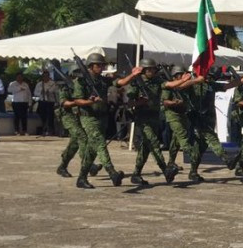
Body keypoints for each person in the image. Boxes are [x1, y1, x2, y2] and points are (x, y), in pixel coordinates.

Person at [67, 53, 124, 189]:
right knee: (100, 143)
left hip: (102, 117)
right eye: (99, 65)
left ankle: (81, 178)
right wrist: (89, 101)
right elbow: (77, 100)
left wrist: (133, 75)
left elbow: (120, 83)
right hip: (89, 118)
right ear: (91, 66)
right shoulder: (81, 81)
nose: (101, 67)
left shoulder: (102, 80)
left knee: (92, 150)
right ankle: (112, 173)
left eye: (102, 65)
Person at [117, 59, 178, 186]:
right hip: (143, 118)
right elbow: (129, 103)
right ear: (144, 70)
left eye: (153, 69)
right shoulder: (136, 83)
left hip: (154, 117)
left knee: (145, 148)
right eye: (149, 69)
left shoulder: (157, 80)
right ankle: (165, 169)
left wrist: (185, 80)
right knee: (154, 142)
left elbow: (170, 85)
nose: (152, 71)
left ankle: (136, 174)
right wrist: (140, 102)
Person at [162, 67, 203, 182]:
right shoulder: (169, 86)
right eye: (181, 74)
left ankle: (171, 162)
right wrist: (174, 102)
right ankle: (193, 159)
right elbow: (165, 101)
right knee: (183, 137)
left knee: (175, 141)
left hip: (183, 114)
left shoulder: (186, 85)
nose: (184, 76)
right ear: (175, 76)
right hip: (172, 115)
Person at [55, 68, 89, 178]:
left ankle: (62, 166)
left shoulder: (83, 85)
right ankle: (88, 164)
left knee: (74, 143)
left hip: (78, 115)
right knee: (82, 137)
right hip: (67, 115)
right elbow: (64, 103)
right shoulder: (65, 86)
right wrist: (77, 102)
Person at [33, 68, 58, 137]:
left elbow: (56, 92)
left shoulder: (53, 84)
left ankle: (51, 130)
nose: (45, 77)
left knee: (50, 117)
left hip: (50, 102)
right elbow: (35, 93)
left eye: (47, 76)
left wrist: (49, 92)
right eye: (44, 76)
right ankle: (44, 130)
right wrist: (41, 92)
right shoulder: (39, 84)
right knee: (43, 117)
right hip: (42, 102)